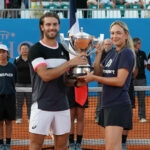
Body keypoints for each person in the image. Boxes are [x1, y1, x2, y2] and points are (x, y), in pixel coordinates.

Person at [28, 12, 88, 150]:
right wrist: (70, 63)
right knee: (36, 145)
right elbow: (46, 76)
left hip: (62, 105)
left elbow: (65, 79)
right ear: (42, 27)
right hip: (42, 105)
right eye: (48, 24)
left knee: (62, 146)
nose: (52, 27)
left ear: (59, 26)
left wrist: (78, 82)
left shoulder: (63, 50)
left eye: (54, 24)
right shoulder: (36, 49)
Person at [78, 20, 136, 150]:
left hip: (118, 104)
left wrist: (93, 77)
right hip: (109, 104)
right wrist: (98, 54)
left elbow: (119, 81)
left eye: (118, 33)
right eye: (112, 33)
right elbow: (99, 72)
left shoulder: (126, 53)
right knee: (111, 146)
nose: (114, 36)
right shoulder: (112, 53)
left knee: (112, 147)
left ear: (126, 35)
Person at [67, 56, 91, 150]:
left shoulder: (85, 57)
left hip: (82, 88)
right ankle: (71, 142)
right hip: (70, 89)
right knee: (70, 117)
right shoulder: (68, 56)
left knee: (80, 117)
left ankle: (79, 143)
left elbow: (89, 71)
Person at [0, 44, 17, 150]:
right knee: (0, 122)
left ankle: (8, 143)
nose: (1, 54)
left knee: (9, 121)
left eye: (3, 52)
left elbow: (14, 82)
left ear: (7, 53)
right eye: (0, 52)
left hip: (10, 98)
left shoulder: (13, 67)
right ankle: (1, 143)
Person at [95, 38, 113, 123]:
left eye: (109, 44)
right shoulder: (100, 54)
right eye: (105, 44)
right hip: (101, 81)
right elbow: (97, 66)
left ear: (111, 45)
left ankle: (109, 117)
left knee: (111, 100)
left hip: (111, 81)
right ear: (103, 45)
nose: (107, 46)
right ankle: (98, 116)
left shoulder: (114, 53)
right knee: (100, 100)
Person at [14, 43, 32, 124]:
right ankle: (18, 118)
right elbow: (14, 71)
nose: (24, 50)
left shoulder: (32, 59)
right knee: (19, 103)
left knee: (30, 103)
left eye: (26, 48)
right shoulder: (16, 60)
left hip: (30, 84)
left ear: (29, 50)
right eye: (23, 49)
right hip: (19, 85)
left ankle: (30, 118)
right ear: (20, 50)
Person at [133, 37, 148, 123]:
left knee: (141, 99)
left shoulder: (143, 53)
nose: (140, 44)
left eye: (140, 43)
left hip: (141, 79)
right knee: (129, 99)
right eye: (139, 43)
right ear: (135, 44)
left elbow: (145, 64)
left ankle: (142, 116)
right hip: (131, 80)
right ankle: (128, 117)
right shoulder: (130, 53)